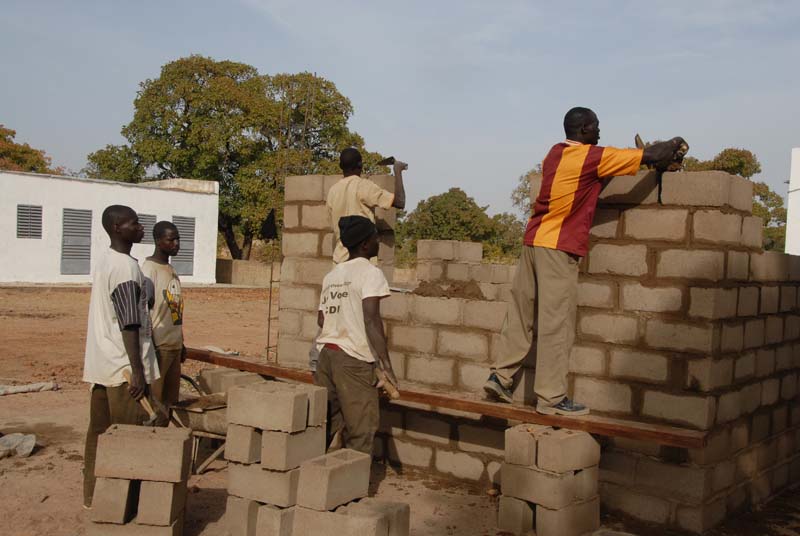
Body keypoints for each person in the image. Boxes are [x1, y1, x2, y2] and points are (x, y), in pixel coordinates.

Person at [483, 107, 686, 416]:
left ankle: (500, 377)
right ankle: (551, 399)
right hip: (558, 247)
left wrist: (647, 158)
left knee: (521, 316)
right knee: (556, 324)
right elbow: (648, 154)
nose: (600, 133)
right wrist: (674, 144)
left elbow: (593, 179)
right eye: (597, 128)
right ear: (586, 129)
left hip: (533, 242)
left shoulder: (556, 153)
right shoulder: (592, 157)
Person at [82, 205, 159, 507]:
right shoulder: (125, 268)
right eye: (134, 223)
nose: (140, 228)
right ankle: (125, 506)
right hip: (124, 371)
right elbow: (129, 323)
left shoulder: (107, 261)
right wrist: (137, 371)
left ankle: (92, 498)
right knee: (129, 438)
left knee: (98, 434)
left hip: (103, 366)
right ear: (117, 228)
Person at [314, 215, 399, 454]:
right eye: (375, 238)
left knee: (323, 425)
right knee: (361, 430)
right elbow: (371, 318)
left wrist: (342, 318)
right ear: (364, 244)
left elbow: (322, 319)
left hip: (325, 357)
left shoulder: (332, 276)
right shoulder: (370, 273)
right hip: (352, 361)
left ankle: (314, 479)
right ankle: (350, 488)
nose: (378, 243)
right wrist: (386, 365)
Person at [327, 147, 407, 264]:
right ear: (360, 165)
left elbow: (333, 225)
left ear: (341, 166)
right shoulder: (364, 186)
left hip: (339, 261)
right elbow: (400, 201)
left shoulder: (333, 191)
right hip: (361, 262)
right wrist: (398, 171)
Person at [141, 221, 185, 427]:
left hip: (174, 345)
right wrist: (148, 347)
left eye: (178, 239)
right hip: (158, 347)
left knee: (169, 404)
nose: (176, 243)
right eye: (171, 239)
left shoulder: (171, 269)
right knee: (155, 405)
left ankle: (164, 446)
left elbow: (174, 311)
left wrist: (181, 342)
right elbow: (144, 311)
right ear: (158, 241)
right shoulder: (149, 270)